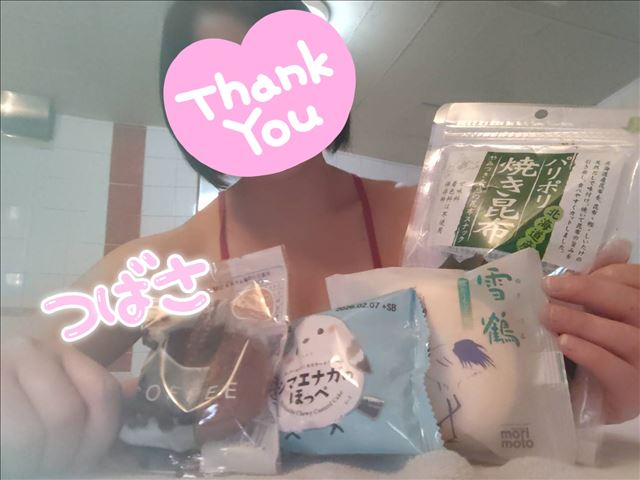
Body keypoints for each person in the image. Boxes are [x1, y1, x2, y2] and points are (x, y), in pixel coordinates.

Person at [1, 1, 638, 477]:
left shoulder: (439, 220)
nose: (257, 98)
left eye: (279, 72)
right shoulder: (154, 267)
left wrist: (593, 383)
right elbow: (25, 371)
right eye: (220, 86)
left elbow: (537, 385)